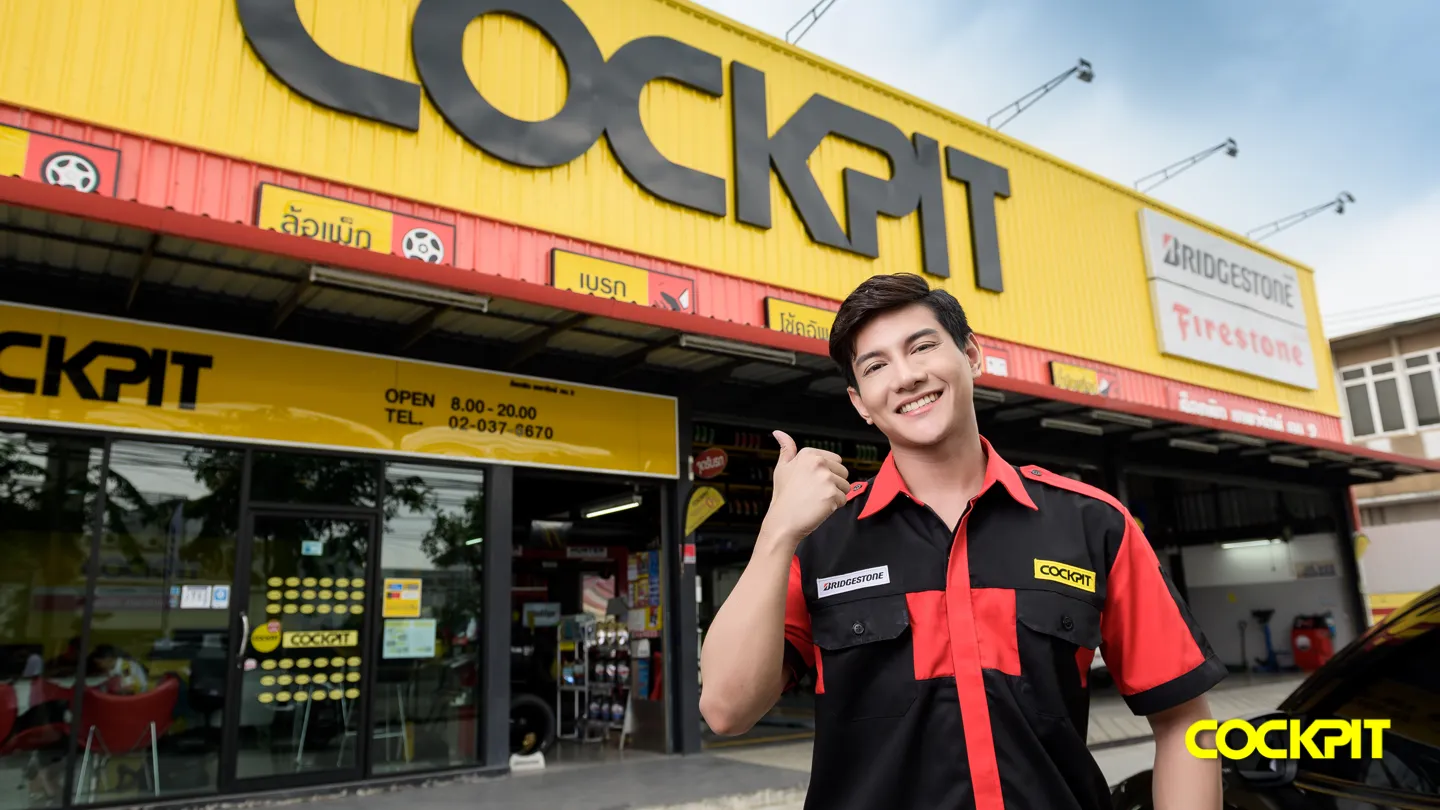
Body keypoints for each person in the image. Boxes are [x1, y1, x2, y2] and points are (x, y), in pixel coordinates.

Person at [699, 273, 1226, 810]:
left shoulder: (1094, 525)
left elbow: (1185, 721)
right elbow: (726, 710)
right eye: (876, 366)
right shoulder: (818, 540)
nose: (906, 376)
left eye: (922, 347)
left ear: (971, 355)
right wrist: (776, 532)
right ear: (860, 403)